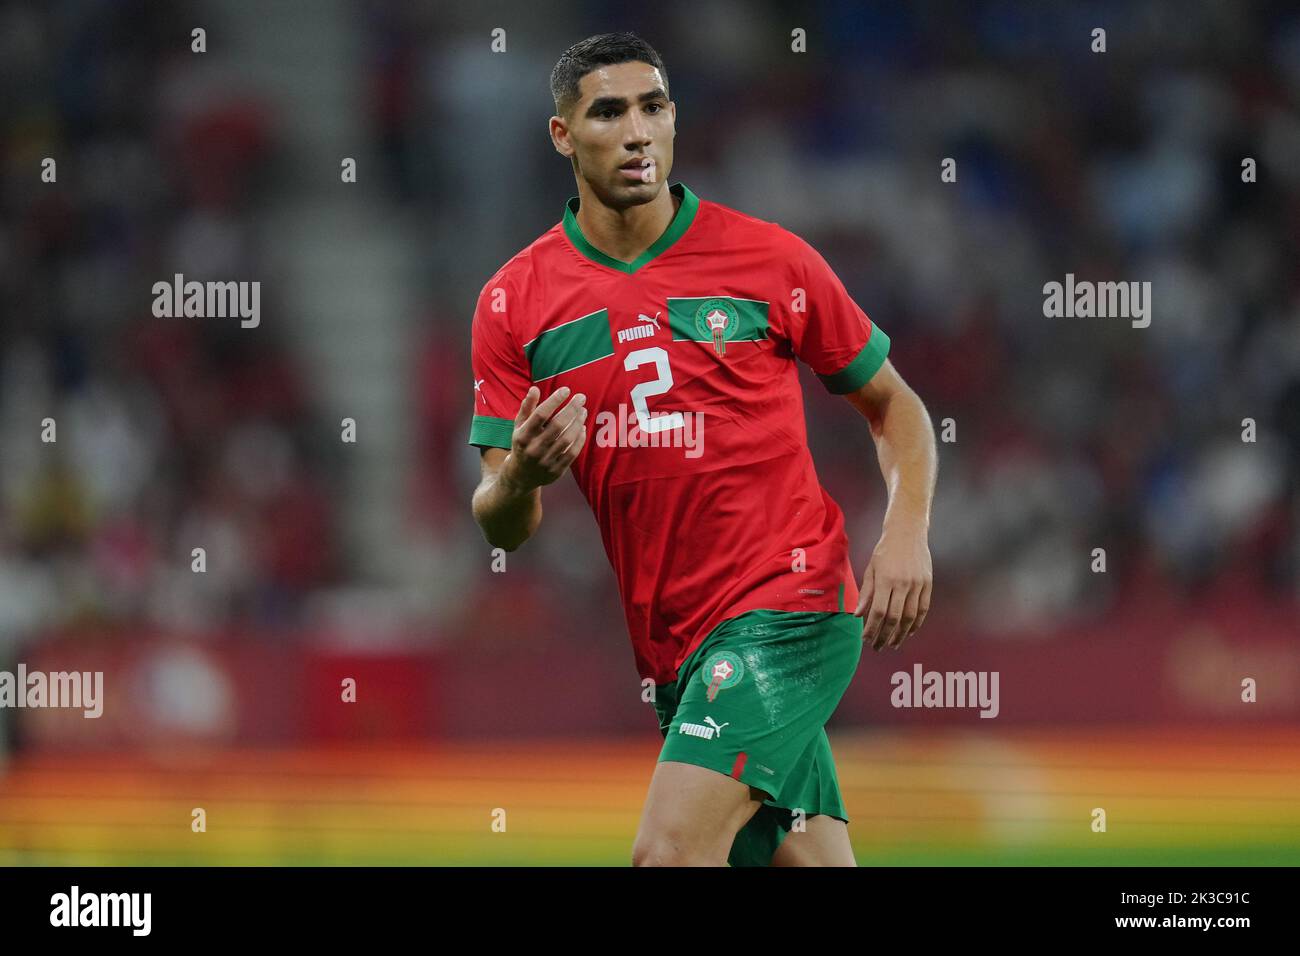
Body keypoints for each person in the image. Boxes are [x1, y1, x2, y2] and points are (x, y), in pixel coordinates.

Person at [468, 32, 937, 866]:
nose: (638, 129)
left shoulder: (768, 257)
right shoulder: (515, 303)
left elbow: (893, 403)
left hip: (787, 610)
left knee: (668, 854)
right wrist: (526, 478)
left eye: (654, 107)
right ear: (563, 136)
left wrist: (906, 530)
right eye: (609, 112)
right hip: (677, 648)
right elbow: (504, 522)